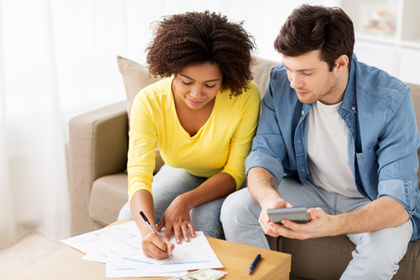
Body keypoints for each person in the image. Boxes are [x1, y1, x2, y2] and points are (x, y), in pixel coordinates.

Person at [220, 4, 420, 279]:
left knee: (382, 250)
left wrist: (331, 225)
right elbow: (263, 155)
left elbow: (398, 203)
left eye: (306, 72)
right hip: (310, 190)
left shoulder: (391, 99)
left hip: (368, 201)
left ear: (340, 63)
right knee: (235, 208)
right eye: (289, 68)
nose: (293, 82)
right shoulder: (280, 82)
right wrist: (269, 200)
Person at [118, 11, 260, 260]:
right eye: (186, 81)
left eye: (210, 84)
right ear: (172, 69)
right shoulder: (149, 102)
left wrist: (185, 201)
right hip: (185, 171)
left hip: (229, 179)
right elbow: (139, 173)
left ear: (225, 77)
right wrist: (148, 232)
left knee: (201, 225)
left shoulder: (244, 95)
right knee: (130, 222)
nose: (196, 94)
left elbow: (236, 172)